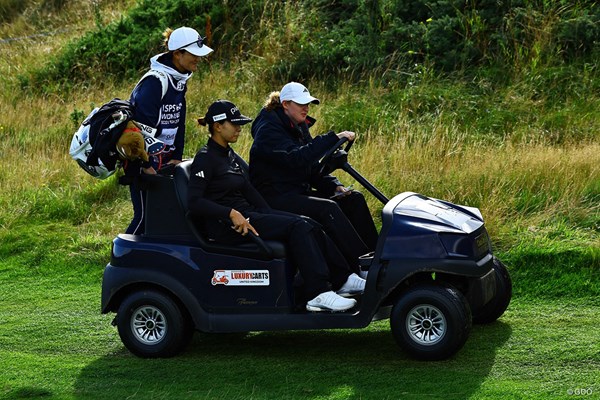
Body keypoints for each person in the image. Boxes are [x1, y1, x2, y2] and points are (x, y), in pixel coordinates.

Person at [187, 100, 366, 312]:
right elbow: (194, 202)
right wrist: (230, 213)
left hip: (248, 215)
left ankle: (343, 278)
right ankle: (317, 292)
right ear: (217, 126)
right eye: (233, 124)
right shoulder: (205, 159)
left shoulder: (229, 155)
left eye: (239, 124)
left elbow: (248, 189)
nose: (239, 128)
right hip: (229, 226)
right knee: (300, 227)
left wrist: (273, 214)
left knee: (307, 222)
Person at [249, 82, 379, 273]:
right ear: (285, 104)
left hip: (294, 191)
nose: (306, 108)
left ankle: (377, 260)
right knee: (327, 208)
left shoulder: (298, 125)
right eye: (301, 104)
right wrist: (331, 138)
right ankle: (359, 268)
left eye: (308, 103)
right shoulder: (268, 131)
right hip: (272, 197)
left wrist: (333, 186)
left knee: (354, 199)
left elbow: (309, 166)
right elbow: (298, 158)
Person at [122, 26, 213, 234]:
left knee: (161, 215)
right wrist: (146, 164)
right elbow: (140, 129)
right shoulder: (155, 81)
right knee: (144, 216)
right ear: (177, 54)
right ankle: (121, 256)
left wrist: (176, 156)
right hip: (143, 161)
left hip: (165, 158)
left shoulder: (179, 79)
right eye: (193, 54)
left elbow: (179, 121)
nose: (198, 59)